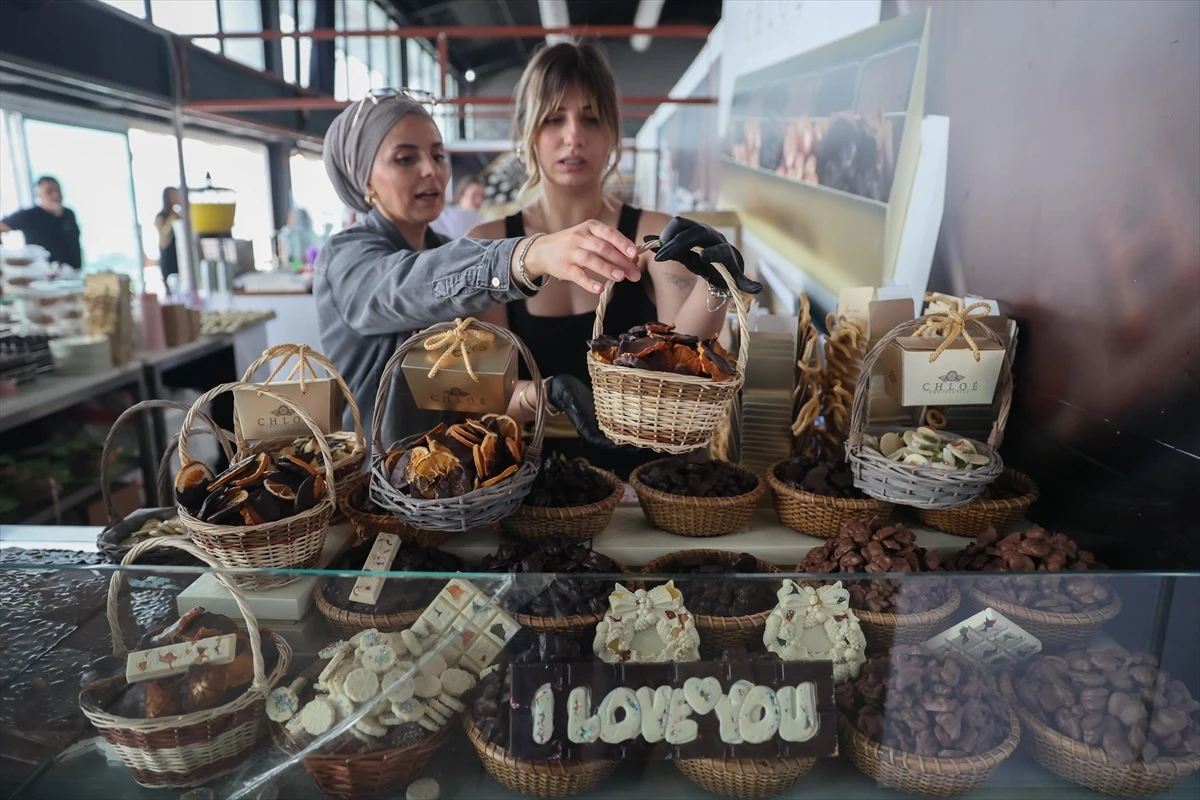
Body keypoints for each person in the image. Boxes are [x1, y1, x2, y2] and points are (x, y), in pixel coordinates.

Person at [470, 41, 761, 475]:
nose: (574, 135)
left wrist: (716, 285)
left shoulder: (654, 236)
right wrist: (550, 392)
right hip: (528, 480)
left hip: (641, 478)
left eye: (591, 118)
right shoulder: (492, 247)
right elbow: (487, 400)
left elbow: (681, 373)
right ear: (528, 133)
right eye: (554, 119)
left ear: (611, 133)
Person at [317, 90, 662, 450]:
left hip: (452, 482)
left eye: (438, 155)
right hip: (379, 487)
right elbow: (408, 286)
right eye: (405, 159)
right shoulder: (348, 257)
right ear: (365, 180)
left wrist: (547, 392)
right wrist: (531, 253)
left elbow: (469, 389)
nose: (431, 170)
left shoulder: (447, 252)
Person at [0, 176, 82, 268]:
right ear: (39, 195)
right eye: (49, 192)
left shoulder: (69, 214)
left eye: (57, 190)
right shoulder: (29, 215)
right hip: (42, 276)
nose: (55, 195)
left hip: (73, 274)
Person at [153, 186, 180, 282]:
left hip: (180, 257)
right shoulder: (161, 217)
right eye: (175, 195)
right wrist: (171, 220)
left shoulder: (180, 215)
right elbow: (163, 240)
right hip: (168, 257)